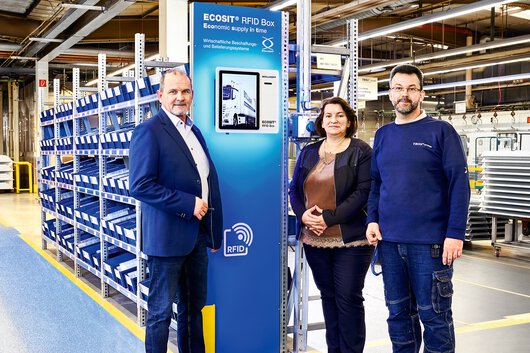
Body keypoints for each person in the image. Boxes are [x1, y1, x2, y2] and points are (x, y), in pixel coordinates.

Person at [365, 64, 470, 353]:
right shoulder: (383, 135)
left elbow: (459, 185)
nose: (405, 94)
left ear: (421, 94)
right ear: (390, 94)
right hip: (389, 243)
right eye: (399, 88)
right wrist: (372, 219)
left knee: (434, 317)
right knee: (398, 317)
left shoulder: (441, 131)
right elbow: (376, 183)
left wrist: (455, 233)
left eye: (411, 88)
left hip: (431, 245)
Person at [129, 68, 223, 353]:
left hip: (197, 236)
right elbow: (140, 185)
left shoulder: (194, 131)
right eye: (173, 91)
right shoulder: (149, 131)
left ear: (192, 96)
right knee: (159, 313)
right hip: (167, 238)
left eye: (185, 91)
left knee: (194, 308)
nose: (179, 97)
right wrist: (187, 204)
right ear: (160, 96)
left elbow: (207, 181)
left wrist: (214, 233)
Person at [289, 97, 373, 353]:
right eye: (328, 116)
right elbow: (294, 189)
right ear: (321, 122)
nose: (333, 120)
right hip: (315, 239)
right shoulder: (308, 152)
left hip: (352, 239)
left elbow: (363, 193)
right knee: (328, 296)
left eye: (339, 115)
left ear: (348, 121)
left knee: (348, 298)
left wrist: (327, 218)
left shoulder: (360, 150)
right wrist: (304, 216)